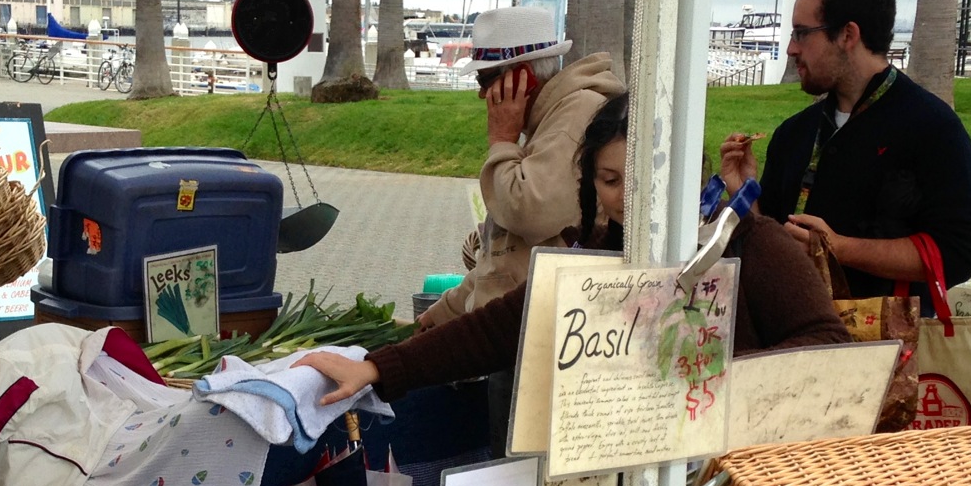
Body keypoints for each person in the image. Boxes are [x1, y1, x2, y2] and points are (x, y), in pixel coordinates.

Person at [297, 95, 849, 405]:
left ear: (689, 171)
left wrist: (697, 375)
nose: (629, 199)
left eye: (646, 178)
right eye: (611, 180)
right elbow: (504, 327)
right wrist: (376, 368)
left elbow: (828, 348)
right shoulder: (600, 256)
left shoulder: (755, 244)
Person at [721, 0, 971, 299]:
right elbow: (774, 246)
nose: (791, 48)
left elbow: (958, 253)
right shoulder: (795, 133)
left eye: (802, 33)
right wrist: (745, 192)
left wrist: (837, 248)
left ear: (848, 35)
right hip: (794, 335)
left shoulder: (931, 127)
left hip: (885, 345)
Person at [417, 4, 624, 331]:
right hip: (512, 324)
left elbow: (528, 213)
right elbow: (503, 254)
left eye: (485, 79)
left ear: (523, 78)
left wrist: (501, 139)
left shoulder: (574, 116)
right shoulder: (553, 118)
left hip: (533, 330)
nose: (482, 93)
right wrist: (445, 312)